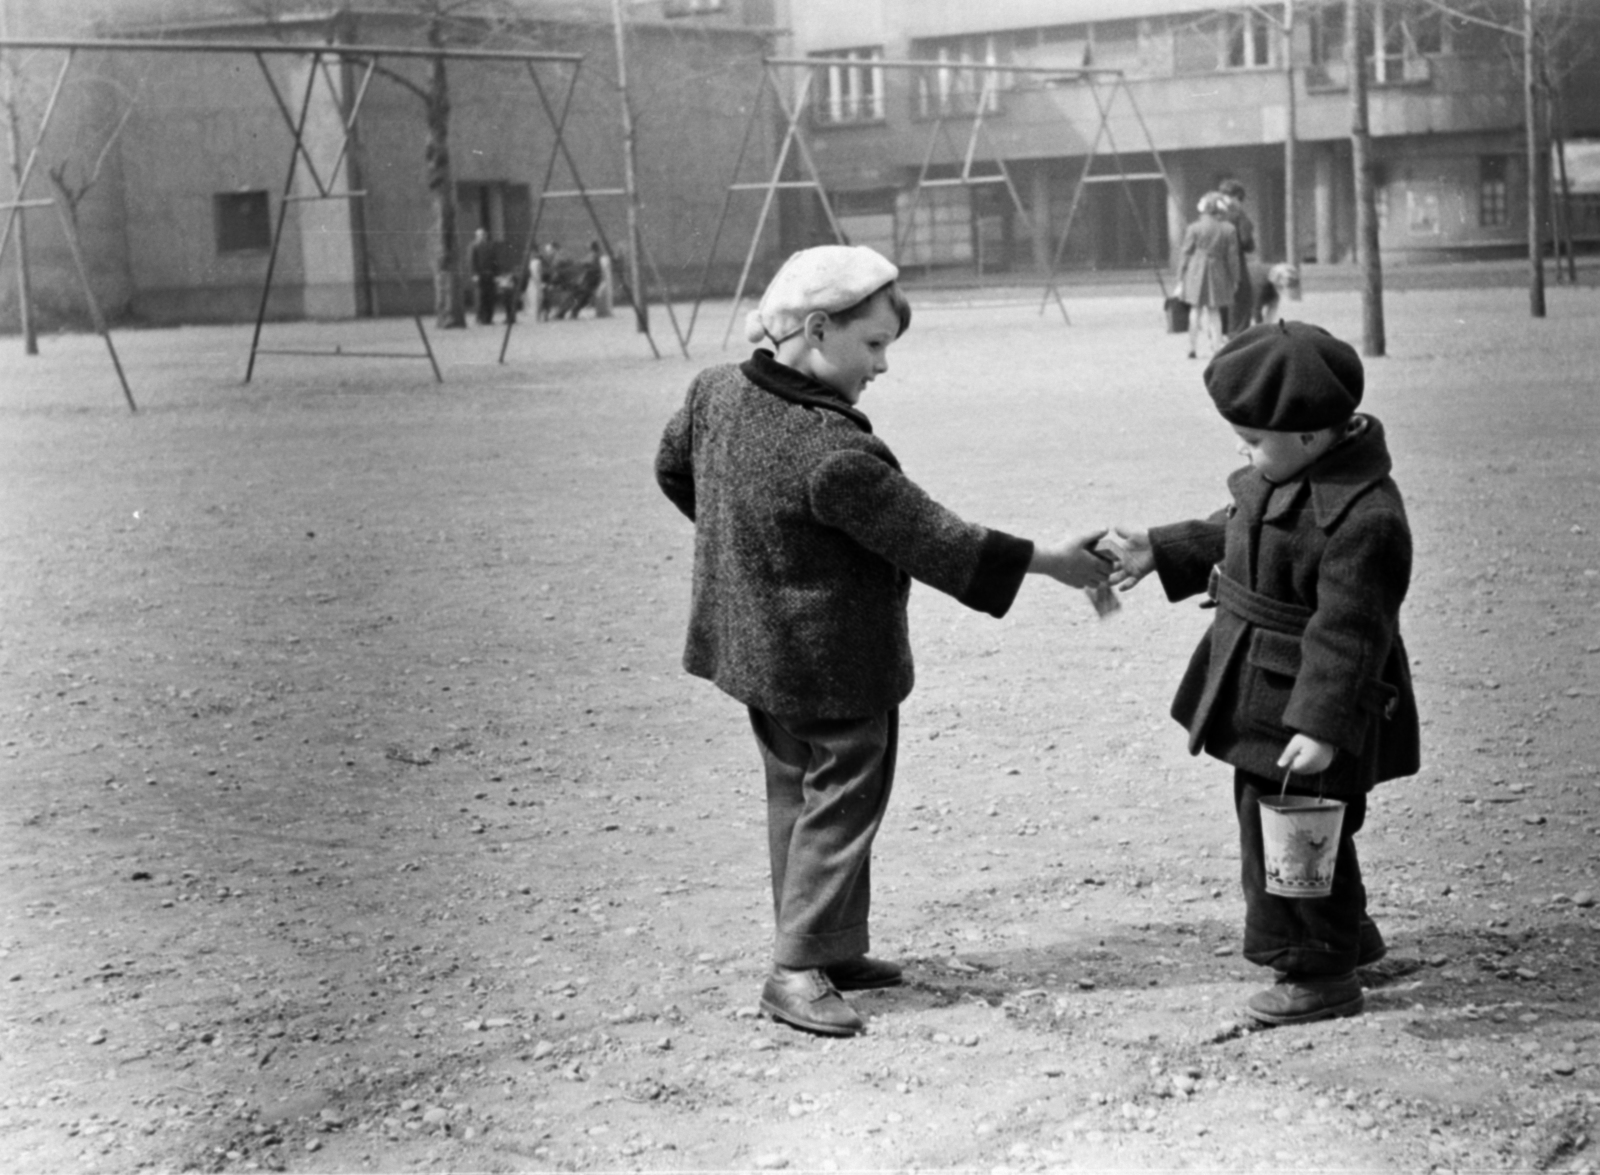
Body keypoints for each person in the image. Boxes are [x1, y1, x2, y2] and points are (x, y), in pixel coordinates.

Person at [654, 245, 1110, 1038]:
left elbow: (673, 470)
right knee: (844, 797)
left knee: (795, 795)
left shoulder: (713, 391)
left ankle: (825, 943)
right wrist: (1055, 564)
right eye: (873, 345)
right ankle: (797, 967)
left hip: (753, 647)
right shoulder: (832, 451)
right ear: (817, 329)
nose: (884, 366)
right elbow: (936, 540)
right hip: (834, 660)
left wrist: (752, 553)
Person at [1102, 321, 1420, 1028]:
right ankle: (1349, 936)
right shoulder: (1294, 474)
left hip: (1305, 708)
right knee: (1305, 825)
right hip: (1265, 697)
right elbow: (1241, 524)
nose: (1243, 452)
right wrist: (1161, 548)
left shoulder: (1364, 518)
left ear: (1309, 436)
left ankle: (1316, 972)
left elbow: (1351, 633)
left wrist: (1322, 722)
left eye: (1253, 440)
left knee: (1292, 834)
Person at [1176, 192, 1241, 361]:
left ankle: (1192, 347)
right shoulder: (1228, 229)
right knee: (1215, 311)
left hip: (1196, 271)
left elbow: (1185, 254)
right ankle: (1217, 348)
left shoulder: (1194, 228)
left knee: (1195, 310)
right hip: (1218, 270)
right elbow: (1232, 257)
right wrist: (1235, 278)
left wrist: (1180, 277)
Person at [1219, 179, 1257, 338]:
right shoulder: (1239, 214)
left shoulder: (1215, 213)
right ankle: (1238, 335)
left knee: (1221, 298)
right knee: (1241, 298)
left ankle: (1222, 333)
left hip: (1217, 263)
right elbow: (1246, 241)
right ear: (1238, 196)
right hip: (1236, 261)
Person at [469, 227, 499, 325]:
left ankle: (489, 318)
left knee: (490, 297)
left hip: (490, 275)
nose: (483, 236)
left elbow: (494, 261)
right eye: (481, 235)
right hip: (480, 275)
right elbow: (471, 261)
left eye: (484, 234)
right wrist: (474, 274)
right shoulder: (474, 246)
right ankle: (480, 318)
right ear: (477, 236)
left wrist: (496, 274)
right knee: (480, 297)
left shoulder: (490, 246)